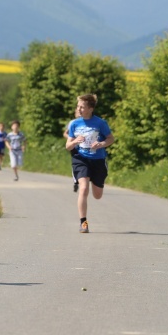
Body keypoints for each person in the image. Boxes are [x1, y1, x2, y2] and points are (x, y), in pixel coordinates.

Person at [65, 94, 115, 233]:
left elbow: (111, 139)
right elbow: (68, 146)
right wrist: (75, 141)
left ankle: (96, 180)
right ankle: (83, 223)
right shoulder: (74, 123)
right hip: (81, 159)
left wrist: (101, 144)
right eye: (78, 106)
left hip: (98, 160)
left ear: (90, 109)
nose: (79, 109)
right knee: (83, 188)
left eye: (82, 107)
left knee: (97, 195)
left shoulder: (100, 123)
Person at [64, 110, 79, 193]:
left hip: (85, 148)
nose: (79, 114)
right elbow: (65, 133)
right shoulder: (72, 123)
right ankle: (76, 181)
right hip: (74, 147)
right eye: (77, 112)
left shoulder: (88, 122)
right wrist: (72, 140)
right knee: (76, 163)